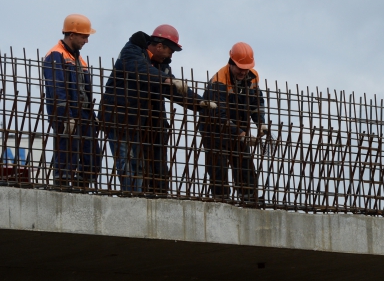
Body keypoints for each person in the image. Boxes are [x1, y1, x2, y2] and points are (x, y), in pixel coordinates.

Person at [100, 25, 215, 194]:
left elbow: (174, 91)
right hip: (119, 119)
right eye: (171, 51)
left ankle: (144, 198)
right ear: (160, 46)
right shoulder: (132, 51)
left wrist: (200, 104)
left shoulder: (161, 66)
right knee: (128, 164)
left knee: (144, 166)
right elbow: (140, 70)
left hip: (142, 124)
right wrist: (167, 80)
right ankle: (132, 199)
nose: (171, 55)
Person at [201, 42, 267, 202]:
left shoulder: (253, 76)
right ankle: (221, 199)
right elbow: (219, 116)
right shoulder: (219, 81)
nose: (243, 72)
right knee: (218, 166)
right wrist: (241, 133)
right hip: (214, 130)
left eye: (246, 68)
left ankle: (249, 198)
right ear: (231, 62)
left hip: (239, 128)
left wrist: (261, 123)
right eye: (240, 68)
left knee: (244, 164)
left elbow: (256, 103)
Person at [43, 14, 102, 189]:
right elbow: (57, 89)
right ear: (72, 35)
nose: (86, 41)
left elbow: (85, 91)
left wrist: (91, 115)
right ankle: (61, 189)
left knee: (93, 158)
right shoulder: (55, 55)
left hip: (83, 113)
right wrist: (64, 117)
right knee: (66, 156)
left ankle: (80, 188)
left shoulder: (79, 59)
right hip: (67, 113)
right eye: (84, 36)